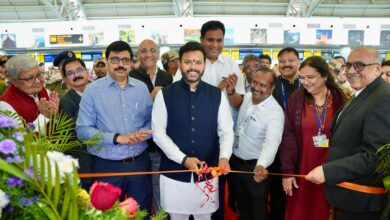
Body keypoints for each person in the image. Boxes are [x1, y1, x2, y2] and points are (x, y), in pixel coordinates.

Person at [152, 41, 234, 220]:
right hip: (174, 177)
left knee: (205, 216)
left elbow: (226, 131)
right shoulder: (164, 95)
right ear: (180, 63)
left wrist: (224, 157)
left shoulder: (217, 94)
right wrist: (183, 159)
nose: (193, 67)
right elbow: (158, 134)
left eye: (198, 62)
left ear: (204, 64)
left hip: (208, 175)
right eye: (188, 62)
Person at [306, 47, 390, 220]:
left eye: (359, 66)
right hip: (349, 197)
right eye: (349, 65)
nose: (351, 71)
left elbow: (375, 156)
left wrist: (327, 172)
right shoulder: (363, 94)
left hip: (362, 201)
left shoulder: (383, 98)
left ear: (377, 68)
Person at [76, 41, 153, 213]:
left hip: (138, 163)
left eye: (125, 60)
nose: (120, 65)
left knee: (142, 213)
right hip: (106, 166)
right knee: (106, 214)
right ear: (107, 60)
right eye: (115, 60)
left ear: (132, 63)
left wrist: (144, 134)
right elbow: (82, 129)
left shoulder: (141, 88)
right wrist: (117, 138)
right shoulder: (93, 91)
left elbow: (151, 119)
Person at [279, 56, 345, 220]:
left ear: (324, 76)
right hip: (302, 167)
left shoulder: (339, 99)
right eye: (302, 78)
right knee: (299, 211)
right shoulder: (297, 98)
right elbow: (288, 135)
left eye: (310, 77)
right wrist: (287, 172)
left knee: (324, 210)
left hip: (330, 168)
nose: (305, 82)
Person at [199, 20, 245, 219]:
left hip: (222, 138)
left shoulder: (231, 64)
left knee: (218, 187)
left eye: (219, 40)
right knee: (198, 187)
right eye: (210, 40)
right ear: (202, 40)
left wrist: (231, 90)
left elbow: (237, 102)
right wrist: (217, 91)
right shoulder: (193, 61)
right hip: (197, 135)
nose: (215, 45)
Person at [230, 68, 284, 220]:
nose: (257, 88)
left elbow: (272, 142)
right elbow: (236, 102)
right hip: (237, 162)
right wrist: (231, 91)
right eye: (255, 82)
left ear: (272, 88)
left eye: (263, 85)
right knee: (242, 206)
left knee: (257, 210)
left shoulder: (275, 112)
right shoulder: (247, 96)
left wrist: (261, 165)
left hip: (255, 168)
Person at [130, 39, 173, 212]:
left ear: (158, 53)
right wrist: (151, 96)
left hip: (160, 144)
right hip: (137, 146)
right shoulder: (131, 77)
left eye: (153, 50)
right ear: (138, 55)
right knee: (139, 192)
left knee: (160, 189)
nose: (149, 54)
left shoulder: (166, 77)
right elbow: (129, 111)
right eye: (144, 51)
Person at [269, 47, 301, 220]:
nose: (286, 64)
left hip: (302, 147)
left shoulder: (307, 84)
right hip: (276, 148)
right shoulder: (272, 86)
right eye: (282, 61)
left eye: (291, 61)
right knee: (277, 196)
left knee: (300, 194)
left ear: (298, 62)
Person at [59, 57, 93, 190]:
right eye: (71, 73)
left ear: (86, 71)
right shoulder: (65, 102)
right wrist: (86, 100)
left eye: (79, 70)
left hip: (108, 160)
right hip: (85, 164)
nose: (76, 75)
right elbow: (71, 131)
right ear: (66, 79)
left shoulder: (101, 91)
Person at [0, 54, 59, 130]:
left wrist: (55, 114)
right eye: (29, 78)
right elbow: (18, 139)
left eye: (39, 75)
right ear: (14, 81)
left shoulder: (45, 91)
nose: (37, 81)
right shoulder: (5, 105)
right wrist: (43, 117)